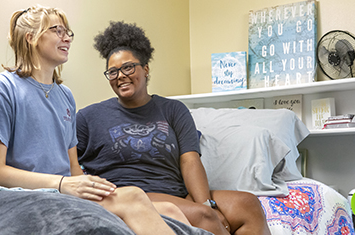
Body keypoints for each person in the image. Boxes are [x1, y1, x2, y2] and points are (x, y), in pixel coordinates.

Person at [0, 5, 191, 235]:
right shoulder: (0, 88)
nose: (67, 38)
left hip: (63, 191)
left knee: (170, 210)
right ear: (31, 37)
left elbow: (73, 167)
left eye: (68, 32)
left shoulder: (65, 96)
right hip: (23, 194)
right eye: (57, 31)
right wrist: (62, 184)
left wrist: (90, 185)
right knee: (134, 195)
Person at [76, 21, 272, 235]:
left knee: (248, 204)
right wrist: (205, 212)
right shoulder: (88, 117)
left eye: (128, 67)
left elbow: (190, 160)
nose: (120, 75)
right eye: (112, 72)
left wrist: (207, 204)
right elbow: (67, 163)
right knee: (203, 218)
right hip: (132, 196)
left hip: (177, 194)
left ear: (146, 68)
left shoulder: (173, 110)